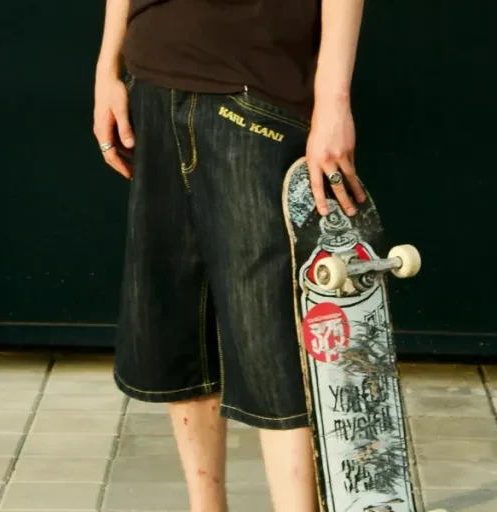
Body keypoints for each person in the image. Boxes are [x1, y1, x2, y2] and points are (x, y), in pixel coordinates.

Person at [93, 0, 366, 510]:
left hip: (254, 88)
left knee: (272, 334)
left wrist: (333, 100)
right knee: (180, 322)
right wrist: (109, 67)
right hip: (153, 79)